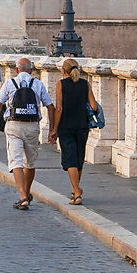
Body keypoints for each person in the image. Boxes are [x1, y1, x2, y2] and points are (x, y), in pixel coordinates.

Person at [0, 57, 52, 209]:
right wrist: (53, 129)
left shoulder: (10, 83)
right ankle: (27, 193)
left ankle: (23, 196)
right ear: (31, 70)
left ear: (17, 70)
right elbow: (50, 106)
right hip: (32, 126)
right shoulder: (38, 84)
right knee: (30, 163)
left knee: (16, 162)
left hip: (13, 125)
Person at [53, 56, 95, 205]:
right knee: (78, 159)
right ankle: (75, 189)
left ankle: (77, 193)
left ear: (63, 70)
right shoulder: (85, 84)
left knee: (70, 160)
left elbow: (59, 109)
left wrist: (54, 129)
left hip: (66, 125)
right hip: (82, 126)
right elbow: (94, 106)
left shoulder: (61, 84)